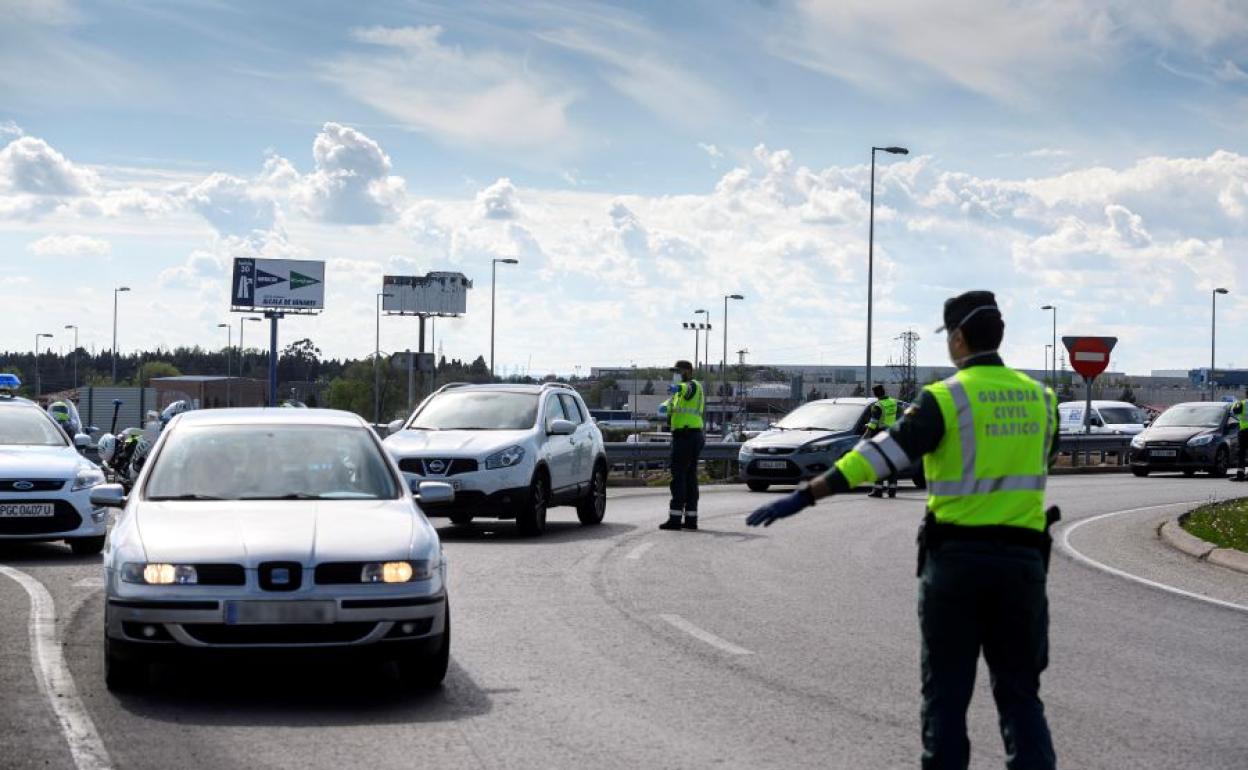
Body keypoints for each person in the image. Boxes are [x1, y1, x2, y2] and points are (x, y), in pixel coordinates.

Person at [747, 291, 1060, 770]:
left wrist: (806, 495)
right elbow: (1045, 457)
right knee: (1021, 696)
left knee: (947, 697)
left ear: (958, 338)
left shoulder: (946, 398)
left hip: (956, 565)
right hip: (1023, 567)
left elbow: (878, 456)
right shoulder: (1042, 399)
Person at [658, 360, 705, 531]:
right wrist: (664, 406)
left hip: (686, 436)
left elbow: (687, 390)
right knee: (690, 477)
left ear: (688, 371)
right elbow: (672, 405)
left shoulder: (692, 386)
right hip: (691, 435)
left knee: (678, 477)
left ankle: (675, 518)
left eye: (679, 371)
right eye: (674, 371)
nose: (676, 374)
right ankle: (691, 519)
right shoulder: (678, 393)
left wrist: (678, 388)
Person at [865, 383, 900, 498]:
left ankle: (878, 490)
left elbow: (873, 424)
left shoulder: (877, 406)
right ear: (884, 391)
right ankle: (892, 490)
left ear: (875, 394)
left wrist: (865, 437)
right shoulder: (893, 402)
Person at [1231, 387, 1248, 481]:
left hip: (1244, 432)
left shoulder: (1241, 403)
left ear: (1246, 394)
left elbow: (1233, 411)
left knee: (1241, 453)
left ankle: (1240, 475)